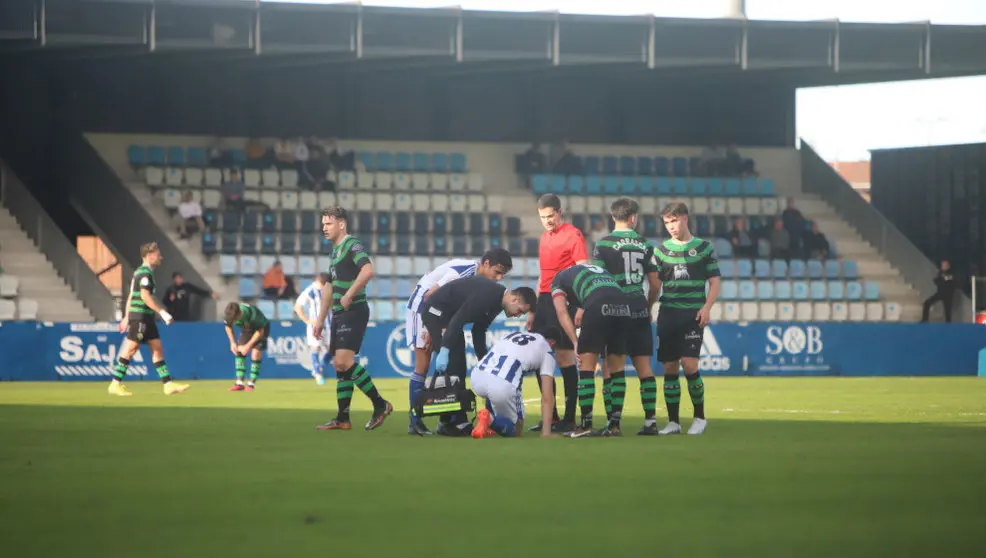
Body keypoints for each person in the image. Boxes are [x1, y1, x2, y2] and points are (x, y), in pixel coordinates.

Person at [405, 249, 514, 436]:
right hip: (422, 306)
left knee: (454, 359)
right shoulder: (463, 272)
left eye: (502, 275)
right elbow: (430, 295)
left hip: (444, 314)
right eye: (497, 272)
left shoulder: (482, 285)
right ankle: (415, 422)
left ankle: (449, 419)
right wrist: (430, 328)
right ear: (485, 263)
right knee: (423, 364)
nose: (498, 278)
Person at [419, 276, 536, 436]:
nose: (518, 316)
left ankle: (451, 421)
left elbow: (478, 330)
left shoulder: (497, 302)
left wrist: (483, 360)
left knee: (459, 366)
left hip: (450, 318)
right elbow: (459, 320)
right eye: (520, 311)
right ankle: (449, 422)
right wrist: (444, 350)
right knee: (453, 365)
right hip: (435, 312)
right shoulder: (487, 296)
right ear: (514, 299)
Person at [313, 206, 392, 432]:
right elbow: (329, 287)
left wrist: (349, 294)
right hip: (339, 313)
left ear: (341, 224)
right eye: (323, 224)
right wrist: (320, 319)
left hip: (354, 310)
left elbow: (368, 270)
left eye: (328, 224)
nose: (324, 228)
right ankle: (342, 418)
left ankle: (380, 404)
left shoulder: (352, 244)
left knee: (343, 362)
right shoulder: (334, 252)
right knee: (340, 367)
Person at [591, 198, 663, 435]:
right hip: (639, 307)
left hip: (614, 309)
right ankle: (651, 422)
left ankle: (614, 424)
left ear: (614, 217)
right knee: (644, 367)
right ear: (633, 218)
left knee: (614, 367)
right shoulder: (645, 245)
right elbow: (655, 285)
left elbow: (597, 281)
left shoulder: (602, 245)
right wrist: (648, 306)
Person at [550, 263, 645, 437]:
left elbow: (562, 312)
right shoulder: (595, 271)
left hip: (598, 304)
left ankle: (585, 426)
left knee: (586, 367)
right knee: (617, 369)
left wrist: (575, 342)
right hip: (624, 306)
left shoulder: (558, 280)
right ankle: (614, 426)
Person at [654, 202, 722, 436]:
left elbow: (714, 281)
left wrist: (707, 307)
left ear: (685, 218)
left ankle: (699, 417)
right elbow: (656, 284)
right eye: (667, 223)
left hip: (692, 314)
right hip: (668, 313)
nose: (671, 226)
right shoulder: (661, 251)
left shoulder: (704, 248)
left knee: (689, 363)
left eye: (674, 221)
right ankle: (673, 422)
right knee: (669, 366)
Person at [528, 193, 590, 433]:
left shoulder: (573, 235)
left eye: (550, 216)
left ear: (559, 212)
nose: (547, 221)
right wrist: (533, 309)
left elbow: (583, 270)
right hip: (544, 301)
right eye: (543, 217)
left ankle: (569, 418)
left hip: (564, 299)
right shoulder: (544, 237)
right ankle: (550, 416)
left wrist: (582, 305)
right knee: (539, 358)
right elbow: (543, 274)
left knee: (564, 359)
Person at [108, 242, 190, 396]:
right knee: (131, 349)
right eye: (158, 254)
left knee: (157, 349)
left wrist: (126, 316)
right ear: (150, 255)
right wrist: (162, 312)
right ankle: (115, 384)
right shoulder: (145, 274)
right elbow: (144, 296)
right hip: (140, 317)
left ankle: (168, 384)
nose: (161, 257)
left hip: (145, 317)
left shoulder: (140, 273)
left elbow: (132, 295)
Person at [470, 328, 561, 439]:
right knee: (517, 429)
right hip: (501, 384)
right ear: (552, 343)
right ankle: (490, 419)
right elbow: (547, 396)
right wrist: (546, 432)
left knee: (493, 387)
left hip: (477, 376)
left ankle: (488, 424)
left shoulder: (513, 334)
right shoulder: (547, 351)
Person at [223, 302, 271, 392]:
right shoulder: (230, 314)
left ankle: (251, 384)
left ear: (239, 313)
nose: (233, 321)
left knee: (255, 353)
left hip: (261, 328)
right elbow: (228, 326)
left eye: (234, 319)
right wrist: (232, 342)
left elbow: (260, 331)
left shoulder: (252, 315)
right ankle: (239, 383)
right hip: (247, 328)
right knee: (239, 351)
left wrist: (248, 345)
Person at [295, 273, 332, 385]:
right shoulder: (310, 291)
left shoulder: (331, 289)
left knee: (333, 349)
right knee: (315, 347)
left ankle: (319, 368)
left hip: (329, 324)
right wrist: (307, 321)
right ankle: (318, 374)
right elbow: (297, 306)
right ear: (318, 282)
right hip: (315, 325)